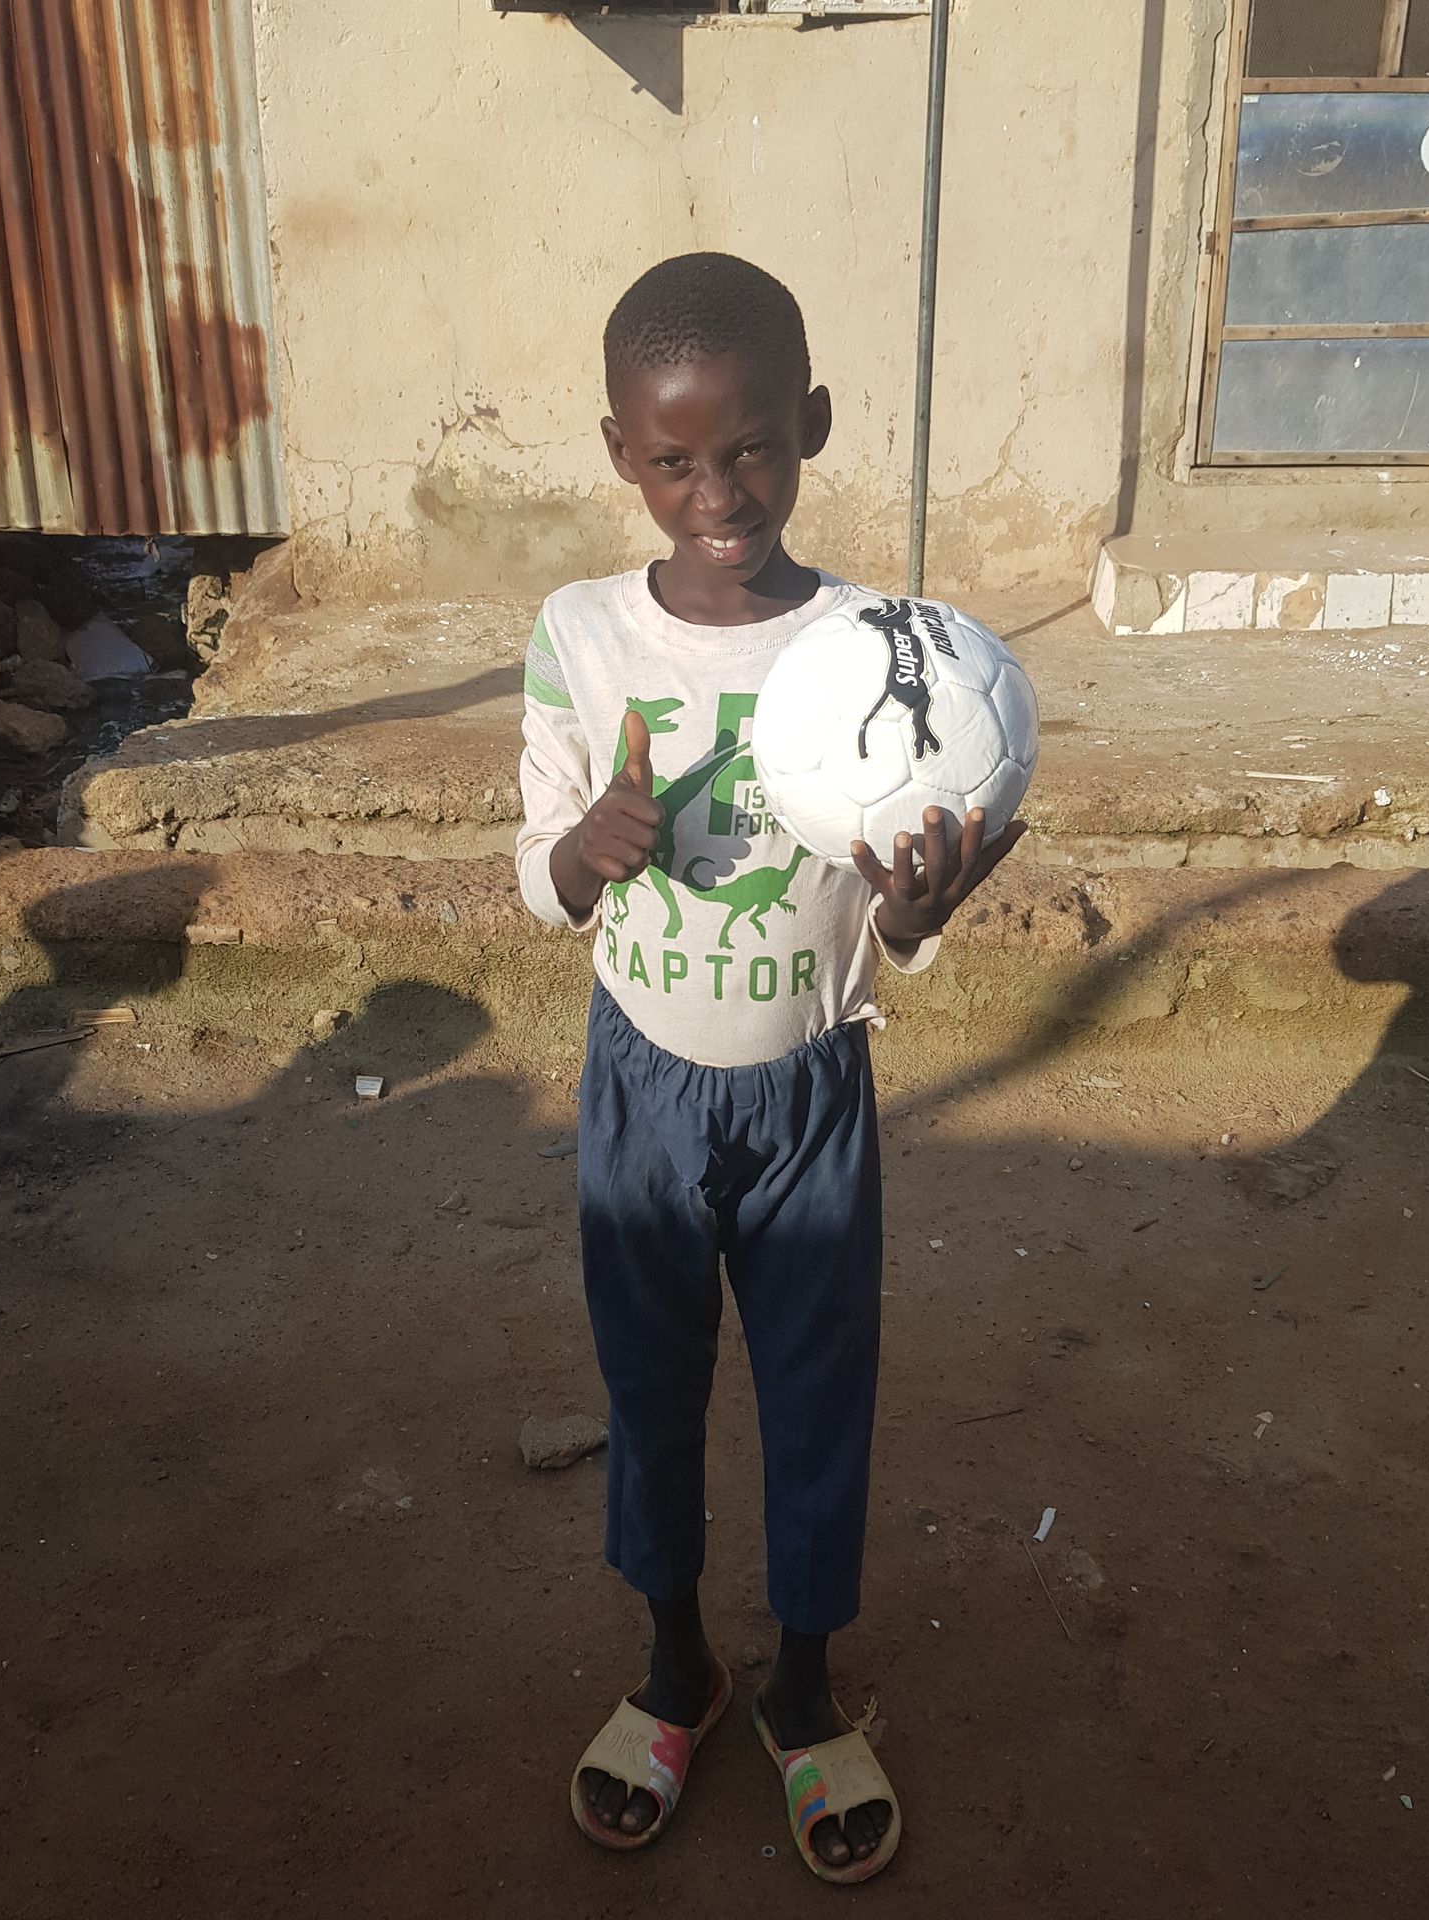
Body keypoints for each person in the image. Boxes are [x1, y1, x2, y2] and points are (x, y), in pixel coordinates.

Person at [514, 252, 1022, 1885]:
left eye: (750, 449)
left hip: (809, 1085)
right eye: (674, 459)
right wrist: (585, 851)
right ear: (622, 453)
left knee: (817, 1396)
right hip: (641, 1083)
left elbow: (894, 912)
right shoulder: (581, 636)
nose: (717, 493)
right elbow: (538, 869)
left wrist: (922, 913)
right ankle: (679, 1670)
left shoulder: (883, 654)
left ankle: (804, 1689)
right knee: (649, 1391)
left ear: (811, 424)